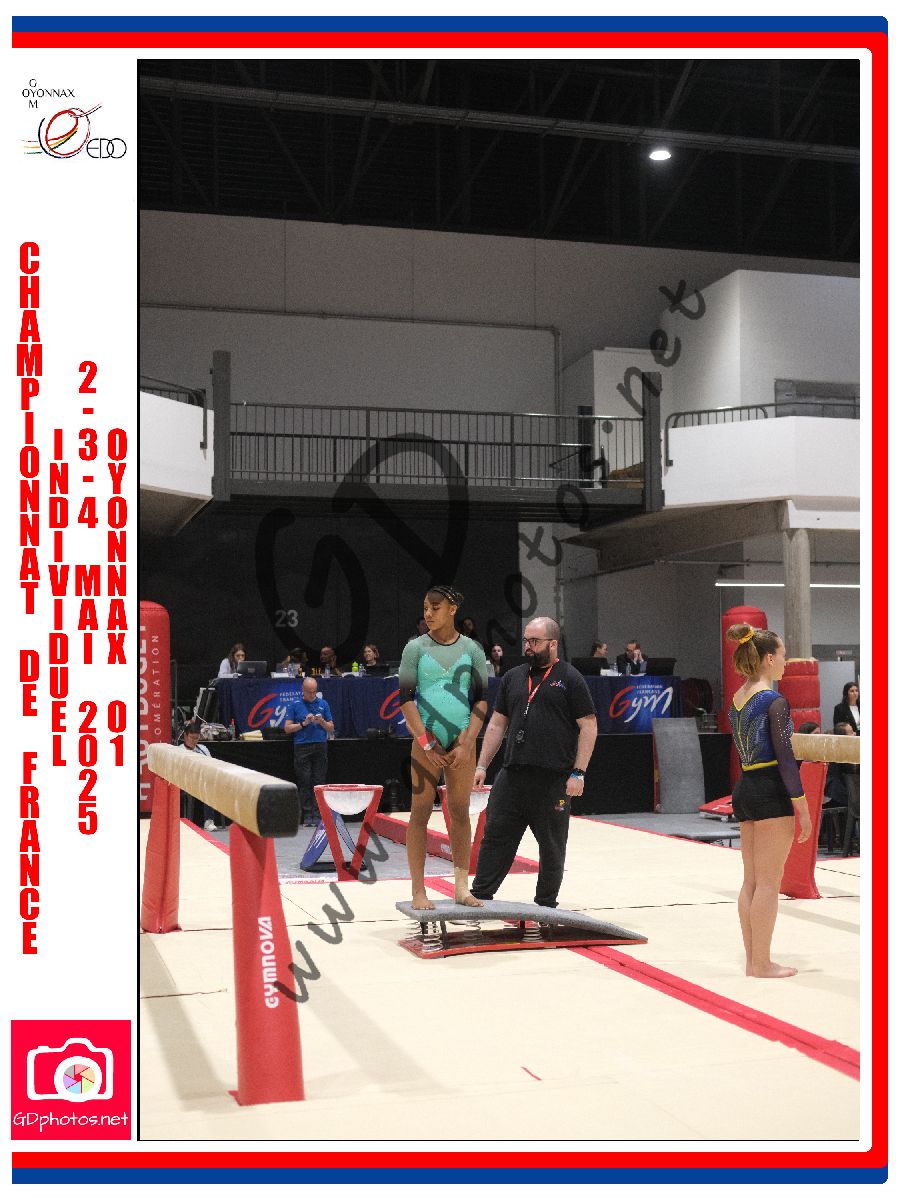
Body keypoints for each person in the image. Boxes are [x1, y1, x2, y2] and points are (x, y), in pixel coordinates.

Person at [471, 617, 597, 910]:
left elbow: (589, 726)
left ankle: (545, 905)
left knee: (552, 846)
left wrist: (579, 772)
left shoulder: (570, 678)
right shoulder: (513, 677)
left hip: (553, 778)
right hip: (512, 774)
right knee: (495, 837)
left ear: (552, 644)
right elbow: (497, 724)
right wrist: (482, 765)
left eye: (535, 641)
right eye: (526, 640)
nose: (528, 646)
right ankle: (479, 897)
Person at [726, 623, 812, 979]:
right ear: (769, 659)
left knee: (750, 881)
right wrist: (803, 809)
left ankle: (753, 960)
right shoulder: (774, 701)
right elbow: (786, 759)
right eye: (783, 655)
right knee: (768, 883)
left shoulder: (738, 699)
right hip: (770, 791)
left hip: (745, 788)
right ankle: (761, 963)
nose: (786, 662)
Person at [399, 584, 489, 910]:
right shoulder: (414, 648)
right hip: (427, 740)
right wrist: (425, 743)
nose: (428, 613)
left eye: (434, 608)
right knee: (420, 811)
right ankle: (418, 890)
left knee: (460, 811)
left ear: (452, 609)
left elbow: (481, 701)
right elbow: (405, 699)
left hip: (461, 740)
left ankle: (461, 887)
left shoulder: (473, 649)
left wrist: (467, 742)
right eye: (425, 607)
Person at [284, 677, 335, 826]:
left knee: (319, 781)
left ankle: (318, 814)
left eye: (314, 692)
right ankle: (307, 815)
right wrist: (303, 723)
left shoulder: (323, 704)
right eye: (309, 692)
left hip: (320, 745)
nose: (312, 695)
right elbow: (287, 728)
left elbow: (331, 728)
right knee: (304, 781)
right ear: (303, 690)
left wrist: (322, 722)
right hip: (302, 746)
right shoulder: (295, 705)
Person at [179, 717, 218, 831]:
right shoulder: (179, 751)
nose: (194, 741)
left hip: (203, 781)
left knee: (210, 786)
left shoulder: (203, 749)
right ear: (185, 736)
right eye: (192, 738)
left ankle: (209, 821)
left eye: (196, 738)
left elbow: (212, 766)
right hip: (186, 782)